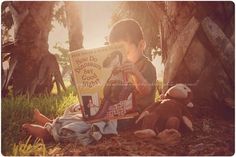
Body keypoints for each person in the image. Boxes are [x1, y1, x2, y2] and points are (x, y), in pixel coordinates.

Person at [108, 19, 157, 130]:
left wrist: (136, 74)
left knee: (119, 122)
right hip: (121, 110)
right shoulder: (119, 67)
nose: (122, 58)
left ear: (141, 45)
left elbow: (146, 91)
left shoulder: (147, 66)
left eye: (126, 52)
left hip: (138, 114)